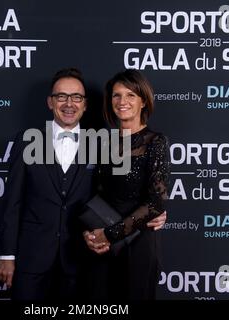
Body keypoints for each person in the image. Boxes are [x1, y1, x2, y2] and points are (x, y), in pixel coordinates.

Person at [0, 67, 100, 300]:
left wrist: (150, 209)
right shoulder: (27, 140)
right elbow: (12, 202)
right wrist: (7, 256)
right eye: (61, 96)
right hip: (31, 260)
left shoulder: (100, 144)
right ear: (50, 102)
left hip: (80, 261)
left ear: (85, 104)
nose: (69, 103)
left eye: (76, 97)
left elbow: (116, 195)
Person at [83, 69, 170, 300]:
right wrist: (90, 234)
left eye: (130, 95)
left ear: (143, 101)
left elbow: (156, 203)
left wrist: (109, 234)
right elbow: (93, 197)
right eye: (116, 95)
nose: (122, 102)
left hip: (137, 244)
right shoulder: (104, 143)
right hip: (101, 246)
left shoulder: (156, 142)